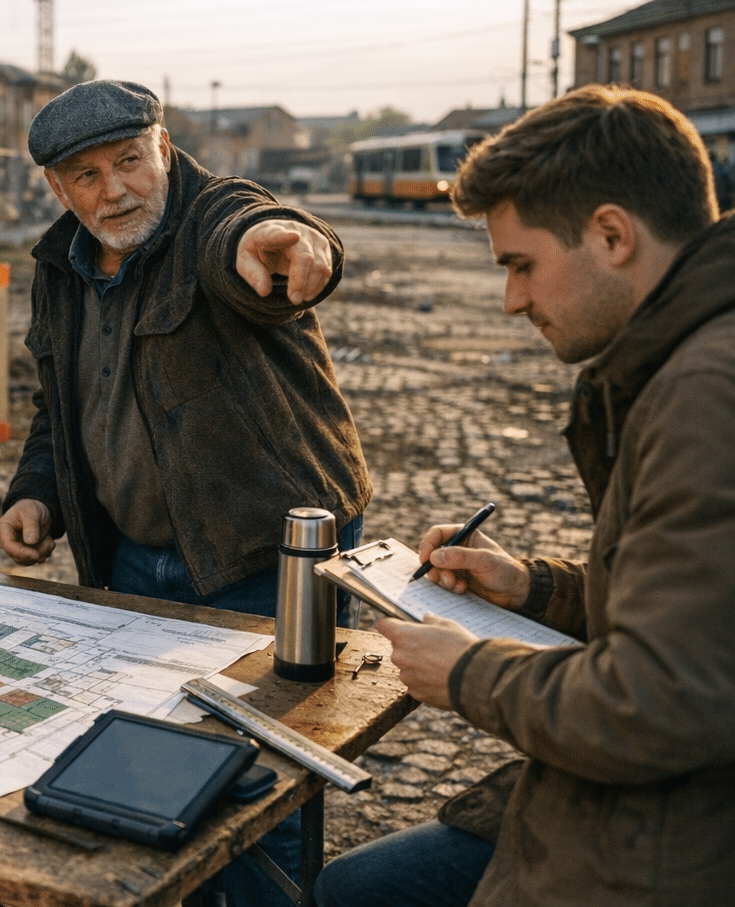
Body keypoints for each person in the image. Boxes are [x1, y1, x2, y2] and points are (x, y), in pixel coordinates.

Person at [314, 85, 735, 907]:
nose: (511, 301)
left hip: (669, 846)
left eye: (521, 265)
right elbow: (696, 614)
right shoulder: (691, 355)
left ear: (612, 235)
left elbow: (661, 703)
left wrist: (470, 672)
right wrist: (535, 589)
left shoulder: (704, 392)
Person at [0, 79, 371, 905]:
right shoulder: (58, 267)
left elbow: (258, 228)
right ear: (57, 189)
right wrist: (37, 494)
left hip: (266, 560)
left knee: (264, 785)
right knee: (157, 780)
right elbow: (59, 406)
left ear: (163, 147)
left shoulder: (213, 218)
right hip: (131, 564)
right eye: (85, 176)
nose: (114, 189)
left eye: (129, 161)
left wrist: (284, 241)